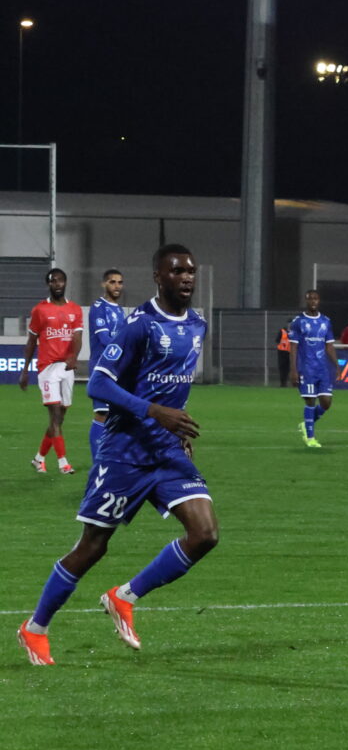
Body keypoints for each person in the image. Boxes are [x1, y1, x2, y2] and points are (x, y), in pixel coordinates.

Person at [17, 245, 219, 666]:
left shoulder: (198, 325)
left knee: (205, 534)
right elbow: (100, 386)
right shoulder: (139, 325)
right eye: (177, 271)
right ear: (158, 276)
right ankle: (34, 628)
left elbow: (173, 385)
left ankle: (124, 597)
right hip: (125, 450)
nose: (187, 277)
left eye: (191, 271)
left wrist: (177, 427)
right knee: (93, 547)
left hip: (165, 450)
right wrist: (155, 411)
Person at [21, 268, 84, 474]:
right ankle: (63, 463)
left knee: (60, 417)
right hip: (47, 368)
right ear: (48, 284)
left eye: (60, 281)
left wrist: (74, 356)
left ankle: (39, 459)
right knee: (55, 415)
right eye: (53, 281)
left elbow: (77, 337)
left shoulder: (75, 309)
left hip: (67, 368)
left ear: (65, 283)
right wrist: (25, 370)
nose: (57, 284)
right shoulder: (40, 310)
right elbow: (31, 341)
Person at [287, 290, 338, 449]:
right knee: (310, 401)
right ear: (306, 301)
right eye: (310, 299)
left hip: (322, 368)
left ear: (319, 300)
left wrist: (336, 365)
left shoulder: (326, 321)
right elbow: (293, 347)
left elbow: (329, 345)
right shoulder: (298, 322)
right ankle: (310, 438)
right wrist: (294, 370)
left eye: (315, 299)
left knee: (326, 402)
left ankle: (306, 424)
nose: (313, 302)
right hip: (306, 368)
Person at [87, 269, 128, 461]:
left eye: (119, 282)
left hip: (117, 370)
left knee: (115, 416)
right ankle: (98, 461)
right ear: (104, 284)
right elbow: (104, 339)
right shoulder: (98, 307)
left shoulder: (119, 310)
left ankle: (110, 457)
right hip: (101, 369)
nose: (116, 286)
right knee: (102, 414)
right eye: (112, 282)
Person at [275, 323, 291, 389]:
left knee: (289, 368)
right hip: (282, 353)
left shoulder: (295, 332)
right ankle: (283, 383)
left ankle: (289, 382)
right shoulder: (282, 331)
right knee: (282, 368)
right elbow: (277, 340)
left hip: (290, 353)